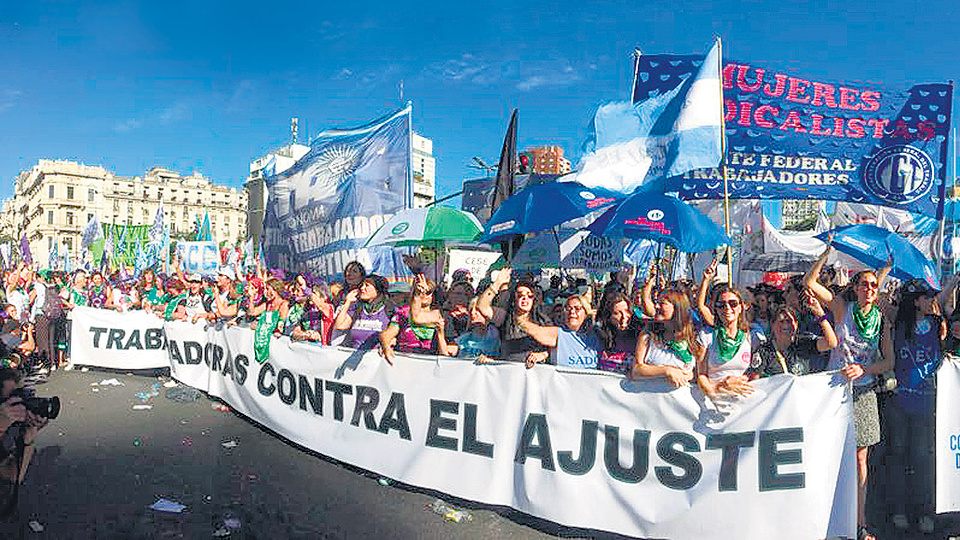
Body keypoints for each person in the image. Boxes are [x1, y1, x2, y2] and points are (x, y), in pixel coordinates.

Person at [803, 242, 893, 540]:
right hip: (834, 391)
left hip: (864, 392)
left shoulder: (882, 321)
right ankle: (824, 517)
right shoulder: (843, 307)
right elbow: (810, 283)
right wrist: (827, 254)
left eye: (873, 285)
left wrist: (865, 370)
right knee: (828, 454)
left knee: (859, 460)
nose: (868, 289)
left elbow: (888, 361)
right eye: (863, 284)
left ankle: (860, 523)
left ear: (877, 291)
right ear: (855, 288)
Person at [885, 279, 944, 534]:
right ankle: (899, 509)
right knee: (898, 456)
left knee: (922, 459)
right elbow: (880, 303)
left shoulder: (936, 324)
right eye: (924, 297)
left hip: (927, 402)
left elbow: (946, 306)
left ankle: (925, 510)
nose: (930, 301)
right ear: (914, 301)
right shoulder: (897, 325)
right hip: (900, 401)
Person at [746, 293, 838, 379]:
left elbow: (831, 343)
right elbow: (754, 380)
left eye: (789, 322)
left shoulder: (804, 342)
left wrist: (820, 314)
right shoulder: (764, 351)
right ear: (772, 325)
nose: (785, 326)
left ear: (796, 324)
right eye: (781, 321)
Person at [477, 268, 553, 368]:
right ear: (514, 298)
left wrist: (543, 355)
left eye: (529, 296)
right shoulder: (505, 317)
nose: (524, 298)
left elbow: (555, 346)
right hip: (508, 371)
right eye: (520, 295)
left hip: (535, 375)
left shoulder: (543, 320)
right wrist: (497, 283)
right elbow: (483, 307)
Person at [631, 289, 701, 387]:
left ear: (677, 308)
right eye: (657, 303)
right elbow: (636, 370)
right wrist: (667, 371)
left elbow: (698, 373)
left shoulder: (692, 337)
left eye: (662, 303)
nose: (656, 306)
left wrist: (688, 375)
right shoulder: (648, 335)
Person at [697, 284, 754, 400]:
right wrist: (717, 390)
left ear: (741, 307)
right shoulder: (706, 336)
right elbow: (700, 375)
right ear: (716, 309)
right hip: (712, 399)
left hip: (741, 400)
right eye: (721, 305)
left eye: (733, 304)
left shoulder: (749, 336)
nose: (727, 308)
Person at [379, 277, 449, 362]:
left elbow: (417, 317)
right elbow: (386, 334)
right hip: (405, 361)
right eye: (420, 291)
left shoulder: (440, 314)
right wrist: (386, 346)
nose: (423, 295)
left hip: (431, 362)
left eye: (428, 292)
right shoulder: (403, 313)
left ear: (433, 295)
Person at [333, 275, 391, 349]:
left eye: (367, 285)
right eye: (361, 285)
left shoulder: (388, 309)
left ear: (378, 290)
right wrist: (348, 302)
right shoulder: (357, 308)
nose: (362, 288)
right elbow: (339, 326)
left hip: (377, 358)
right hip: (355, 355)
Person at [596, 291, 642, 374]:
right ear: (608, 317)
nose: (624, 317)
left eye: (627, 311)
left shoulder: (640, 335)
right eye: (617, 313)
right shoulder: (599, 336)